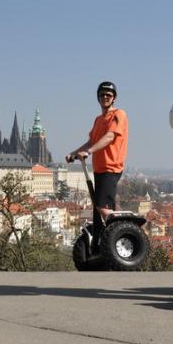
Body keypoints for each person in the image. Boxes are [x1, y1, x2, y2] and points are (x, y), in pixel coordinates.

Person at [65, 81, 128, 246]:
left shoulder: (119, 114)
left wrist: (89, 152)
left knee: (102, 206)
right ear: (98, 98)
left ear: (114, 98)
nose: (105, 97)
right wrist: (74, 153)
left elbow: (110, 137)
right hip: (99, 169)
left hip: (111, 167)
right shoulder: (98, 119)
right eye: (102, 94)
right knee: (98, 212)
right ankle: (101, 244)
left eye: (108, 94)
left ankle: (119, 235)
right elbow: (91, 141)